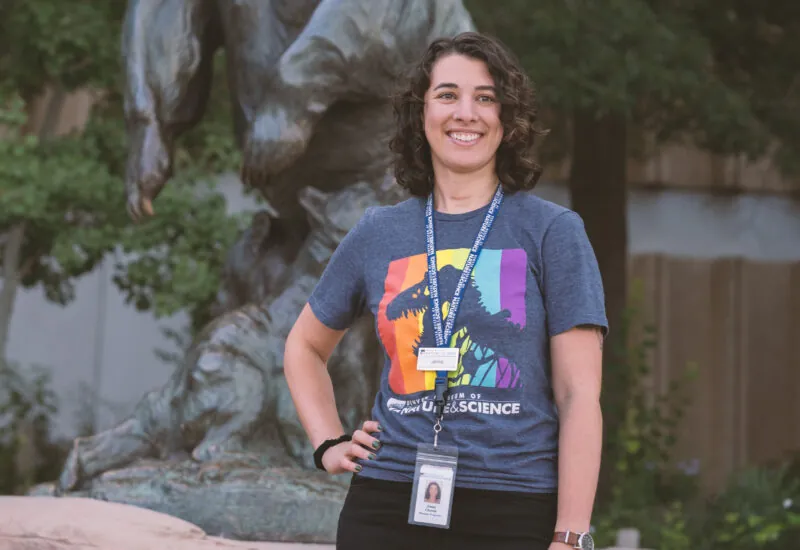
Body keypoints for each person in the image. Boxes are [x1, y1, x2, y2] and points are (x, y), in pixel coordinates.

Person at [284, 31, 606, 550]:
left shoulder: (552, 232)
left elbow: (579, 395)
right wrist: (328, 441)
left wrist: (570, 534)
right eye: (447, 95)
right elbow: (304, 346)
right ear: (421, 112)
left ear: (508, 117)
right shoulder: (378, 232)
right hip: (386, 502)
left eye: (485, 97)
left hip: (513, 505)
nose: (466, 113)